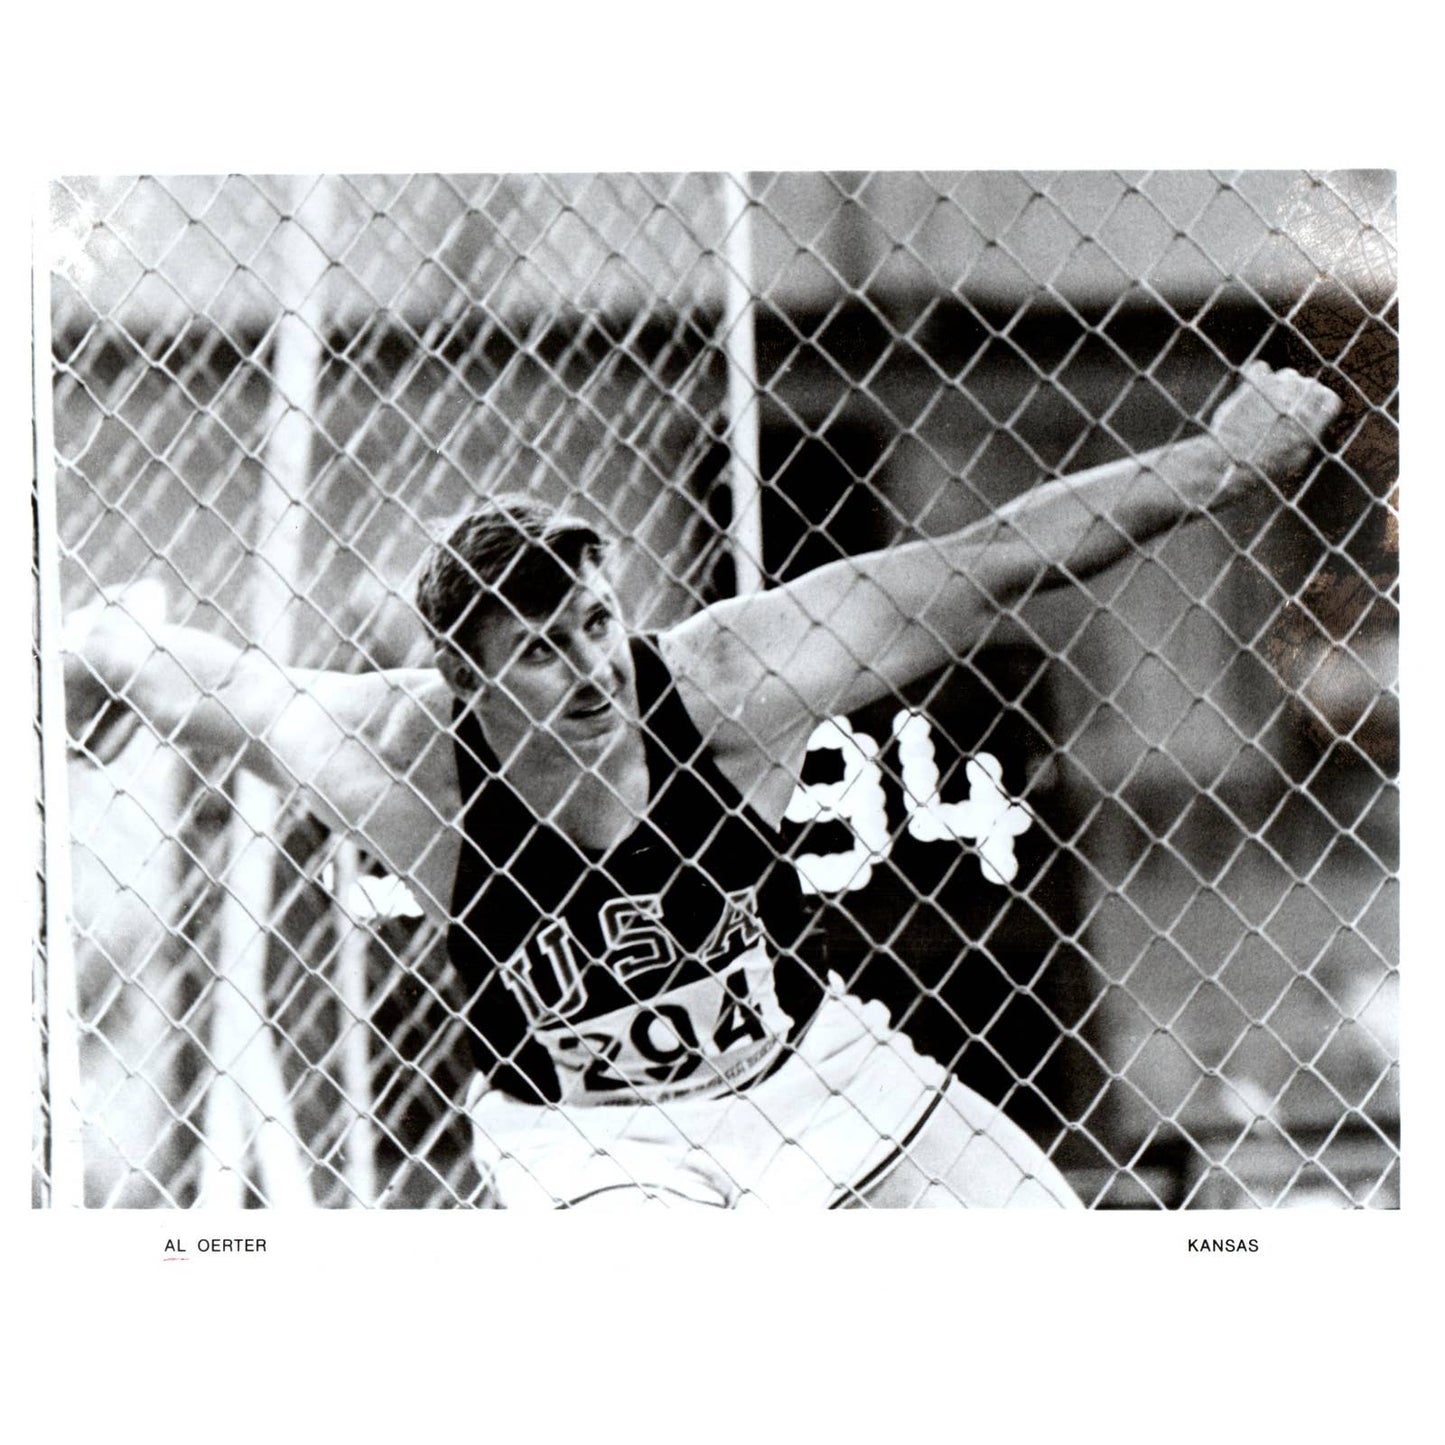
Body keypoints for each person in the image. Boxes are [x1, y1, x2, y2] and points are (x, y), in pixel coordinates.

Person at [63, 362, 1341, 1209]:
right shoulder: (404, 761)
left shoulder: (726, 682)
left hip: (818, 1074)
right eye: (536, 643)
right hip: (594, 1143)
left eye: (592, 618)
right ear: (465, 670)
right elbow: (208, 679)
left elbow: (991, 557)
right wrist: (95, 653)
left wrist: (1222, 457)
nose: (584, 664)